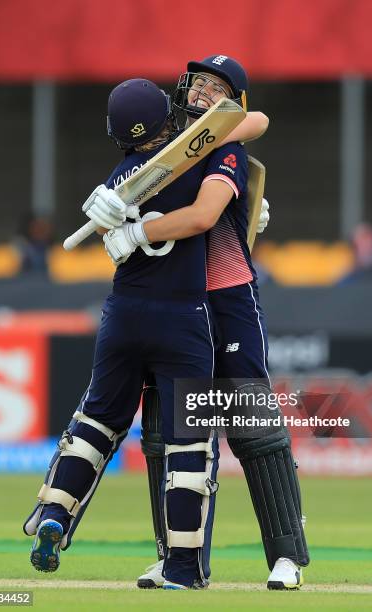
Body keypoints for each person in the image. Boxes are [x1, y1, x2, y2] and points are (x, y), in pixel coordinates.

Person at [23, 77, 257, 589]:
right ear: (167, 116)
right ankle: (182, 567)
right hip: (183, 318)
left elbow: (116, 221)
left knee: (97, 421)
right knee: (189, 445)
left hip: (123, 315)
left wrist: (117, 225)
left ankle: (55, 514)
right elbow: (238, 141)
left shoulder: (119, 176)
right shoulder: (197, 155)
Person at [102, 55, 309, 590]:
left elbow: (252, 125)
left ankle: (286, 558)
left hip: (227, 300)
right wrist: (114, 207)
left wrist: (140, 230)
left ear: (230, 100)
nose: (202, 95)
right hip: (173, 304)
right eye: (200, 85)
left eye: (218, 88)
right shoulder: (163, 151)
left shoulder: (228, 146)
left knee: (254, 430)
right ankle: (177, 557)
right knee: (172, 437)